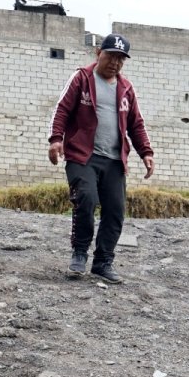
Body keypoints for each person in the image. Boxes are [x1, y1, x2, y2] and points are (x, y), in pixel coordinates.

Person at [48, 33, 155, 284]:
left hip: (114, 160)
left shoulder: (126, 88)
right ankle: (79, 253)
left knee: (116, 211)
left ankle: (103, 262)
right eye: (111, 56)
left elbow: (136, 124)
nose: (115, 63)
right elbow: (61, 109)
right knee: (85, 198)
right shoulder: (82, 78)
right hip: (81, 155)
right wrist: (55, 139)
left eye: (121, 59)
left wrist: (146, 153)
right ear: (99, 53)